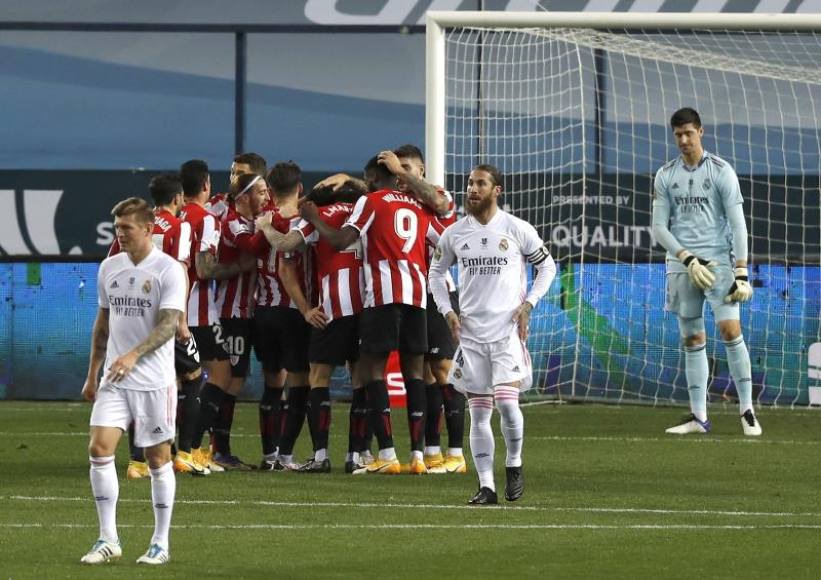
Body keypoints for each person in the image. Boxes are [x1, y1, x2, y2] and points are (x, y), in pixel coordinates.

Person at [299, 154, 442, 475]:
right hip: (417, 295)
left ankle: (388, 455)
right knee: (415, 374)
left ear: (374, 179)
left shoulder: (371, 202)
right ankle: (418, 456)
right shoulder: (419, 204)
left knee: (373, 371)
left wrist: (314, 218)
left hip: (383, 295)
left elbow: (340, 241)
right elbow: (443, 242)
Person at [429, 164, 556, 505]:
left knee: (507, 404)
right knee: (480, 411)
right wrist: (448, 311)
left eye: (481, 184)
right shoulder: (455, 234)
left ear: (496, 190)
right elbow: (435, 273)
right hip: (471, 336)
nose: (472, 189)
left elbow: (547, 266)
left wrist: (529, 304)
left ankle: (514, 463)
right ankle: (486, 486)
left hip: (506, 333)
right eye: (470, 183)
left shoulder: (516, 229)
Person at [80, 197, 187, 565]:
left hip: (154, 381)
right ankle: (108, 538)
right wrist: (92, 373)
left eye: (126, 228)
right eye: (117, 228)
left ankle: (160, 542)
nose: (120, 234)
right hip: (114, 377)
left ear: (148, 228)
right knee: (99, 449)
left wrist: (133, 355)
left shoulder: (169, 270)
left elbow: (170, 324)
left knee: (158, 460)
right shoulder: (109, 268)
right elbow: (103, 324)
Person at [652, 107, 761, 436]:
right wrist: (686, 258)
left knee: (730, 330)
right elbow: (659, 228)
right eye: (678, 135)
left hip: (717, 264)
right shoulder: (665, 175)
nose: (683, 140)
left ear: (701, 132)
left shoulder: (721, 171)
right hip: (683, 265)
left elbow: (738, 225)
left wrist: (741, 272)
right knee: (693, 338)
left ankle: (747, 410)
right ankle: (699, 417)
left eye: (688, 133)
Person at [257, 180, 369, 473]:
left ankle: (320, 456)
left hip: (332, 308)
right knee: (361, 380)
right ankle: (356, 456)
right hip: (366, 305)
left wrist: (267, 226)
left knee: (318, 379)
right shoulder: (366, 210)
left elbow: (284, 245)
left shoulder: (324, 213)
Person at [109, 173, 208, 478]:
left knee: (145, 382)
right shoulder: (181, 226)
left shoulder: (134, 227)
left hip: (132, 315)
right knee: (193, 376)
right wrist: (181, 320)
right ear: (178, 199)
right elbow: (179, 267)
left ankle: (138, 462)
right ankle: (186, 453)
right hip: (164, 316)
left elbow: (115, 265)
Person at [391, 144, 467, 474]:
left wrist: (398, 169)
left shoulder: (437, 197)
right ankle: (428, 451)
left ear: (420, 171)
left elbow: (441, 210)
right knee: (420, 375)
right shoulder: (392, 204)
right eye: (397, 168)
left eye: (407, 167)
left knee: (444, 371)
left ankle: (457, 453)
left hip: (435, 295)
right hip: (408, 297)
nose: (400, 174)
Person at [179, 160, 254, 473]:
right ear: (206, 184)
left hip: (170, 310)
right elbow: (206, 268)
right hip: (198, 310)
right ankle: (192, 449)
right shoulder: (206, 218)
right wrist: (240, 267)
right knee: (221, 376)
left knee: (179, 381)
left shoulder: (172, 217)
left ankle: (164, 451)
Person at [252, 161, 315, 470]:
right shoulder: (306, 220)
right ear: (299, 188)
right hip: (294, 312)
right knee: (300, 384)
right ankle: (286, 455)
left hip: (263, 311)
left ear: (271, 191)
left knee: (272, 383)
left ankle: (268, 455)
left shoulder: (263, 220)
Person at [211, 172, 270, 469]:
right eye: (260, 192)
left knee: (236, 379)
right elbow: (254, 248)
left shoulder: (252, 221)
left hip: (247, 312)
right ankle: (216, 449)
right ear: (243, 196)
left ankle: (214, 448)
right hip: (229, 313)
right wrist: (274, 223)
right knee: (228, 381)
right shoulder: (233, 222)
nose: (266, 197)